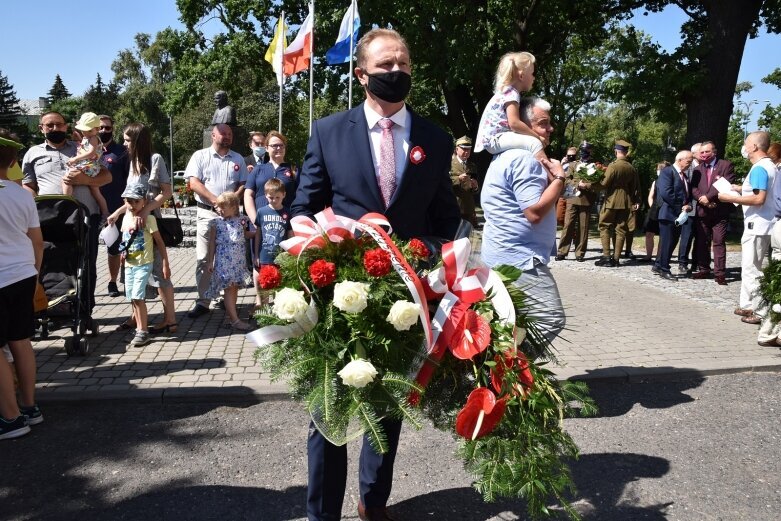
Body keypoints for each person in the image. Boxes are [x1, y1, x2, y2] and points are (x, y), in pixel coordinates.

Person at [291, 28, 461, 521]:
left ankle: (373, 502)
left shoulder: (434, 138)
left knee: (387, 406)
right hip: (339, 292)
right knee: (329, 410)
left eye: (404, 63)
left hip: (406, 296)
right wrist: (310, 259)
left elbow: (444, 218)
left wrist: (442, 253)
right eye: (386, 65)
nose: (397, 72)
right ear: (361, 74)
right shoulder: (327, 131)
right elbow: (305, 208)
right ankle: (322, 514)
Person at [481, 96, 567, 344]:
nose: (550, 129)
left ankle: (506, 378)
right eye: (543, 123)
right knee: (550, 318)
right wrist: (560, 179)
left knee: (512, 324)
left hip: (506, 253)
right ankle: (509, 374)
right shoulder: (524, 159)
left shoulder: (509, 155)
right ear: (523, 126)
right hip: (519, 259)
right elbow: (534, 212)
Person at [22, 111, 112, 312]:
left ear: (66, 126)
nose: (55, 129)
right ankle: (51, 308)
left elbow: (107, 177)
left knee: (86, 263)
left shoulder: (82, 146)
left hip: (86, 216)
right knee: (51, 262)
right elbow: (28, 185)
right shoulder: (32, 153)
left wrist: (84, 180)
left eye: (59, 124)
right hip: (49, 219)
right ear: (41, 129)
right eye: (50, 125)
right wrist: (31, 205)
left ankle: (84, 310)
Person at [107, 123, 177, 334]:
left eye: (128, 140)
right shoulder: (132, 162)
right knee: (131, 271)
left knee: (158, 272)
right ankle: (135, 317)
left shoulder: (155, 159)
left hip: (149, 225)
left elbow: (166, 191)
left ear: (138, 140)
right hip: (131, 225)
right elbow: (131, 197)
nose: (124, 144)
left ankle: (170, 320)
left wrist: (146, 210)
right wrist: (118, 213)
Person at [0, 129, 44, 440]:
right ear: (14, 159)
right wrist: (34, 273)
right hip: (23, 274)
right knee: (21, 341)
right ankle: (30, 407)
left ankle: (11, 418)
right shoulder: (21, 194)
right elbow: (37, 242)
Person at [184, 124, 248, 319]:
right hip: (208, 214)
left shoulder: (238, 159)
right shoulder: (200, 156)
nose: (227, 137)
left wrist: (232, 201)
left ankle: (224, 297)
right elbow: (193, 183)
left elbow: (243, 183)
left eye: (229, 134)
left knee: (230, 257)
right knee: (205, 258)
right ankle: (203, 300)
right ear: (213, 135)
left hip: (231, 217)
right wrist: (216, 201)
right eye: (223, 133)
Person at [717, 131, 777, 325]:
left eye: (746, 144)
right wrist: (740, 189)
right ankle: (748, 304)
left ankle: (757, 309)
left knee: (753, 269)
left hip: (757, 224)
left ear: (754, 147)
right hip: (765, 223)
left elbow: (759, 198)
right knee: (753, 267)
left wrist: (731, 197)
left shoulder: (759, 168)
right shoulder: (770, 166)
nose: (744, 147)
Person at [118, 182, 170, 348]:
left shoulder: (149, 219)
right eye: (129, 201)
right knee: (132, 298)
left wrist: (165, 263)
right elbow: (124, 240)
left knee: (139, 297)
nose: (132, 205)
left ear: (144, 202)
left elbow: (160, 243)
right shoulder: (126, 218)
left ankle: (143, 331)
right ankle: (140, 328)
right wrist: (122, 253)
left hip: (144, 264)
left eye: (136, 201)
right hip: (129, 264)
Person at [474, 52, 546, 161]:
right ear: (521, 76)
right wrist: (538, 137)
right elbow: (514, 123)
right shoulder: (512, 94)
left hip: (493, 140)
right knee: (534, 143)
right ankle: (553, 176)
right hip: (496, 139)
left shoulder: (506, 91)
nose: (534, 78)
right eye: (532, 73)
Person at [205, 192, 254, 331]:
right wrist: (210, 261)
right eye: (218, 207)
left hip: (238, 260)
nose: (219, 210)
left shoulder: (242, 220)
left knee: (234, 288)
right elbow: (212, 243)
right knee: (228, 288)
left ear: (233, 207)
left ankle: (230, 316)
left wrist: (257, 234)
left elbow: (244, 235)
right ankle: (235, 320)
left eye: (223, 207)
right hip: (224, 261)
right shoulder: (216, 223)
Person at [590, 139, 640, 267]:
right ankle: (616, 258)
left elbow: (604, 184)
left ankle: (606, 256)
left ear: (617, 151)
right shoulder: (631, 168)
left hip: (611, 200)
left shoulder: (613, 166)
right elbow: (635, 187)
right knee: (621, 229)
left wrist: (590, 184)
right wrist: (635, 201)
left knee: (604, 226)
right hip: (625, 201)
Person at [691, 141, 735, 285]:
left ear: (714, 152)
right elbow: (693, 188)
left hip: (719, 211)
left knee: (718, 242)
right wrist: (701, 199)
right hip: (703, 211)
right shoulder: (697, 169)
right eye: (701, 152)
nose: (703, 155)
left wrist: (708, 197)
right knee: (702, 242)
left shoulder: (725, 165)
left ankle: (720, 273)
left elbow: (726, 184)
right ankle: (703, 269)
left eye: (706, 152)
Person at [97, 115, 129, 298]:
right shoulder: (89, 151)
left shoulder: (122, 152)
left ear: (112, 129)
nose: (103, 131)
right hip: (93, 207)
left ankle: (113, 282)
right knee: (92, 250)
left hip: (117, 208)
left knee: (116, 247)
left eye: (107, 128)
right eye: (100, 128)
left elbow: (129, 180)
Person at [652, 151, 693, 280]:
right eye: (688, 161)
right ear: (680, 160)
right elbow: (666, 193)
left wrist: (688, 205)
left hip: (678, 215)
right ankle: (664, 268)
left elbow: (687, 195)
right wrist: (680, 207)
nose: (690, 164)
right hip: (668, 213)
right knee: (667, 242)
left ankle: (659, 265)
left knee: (672, 241)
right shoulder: (668, 172)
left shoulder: (684, 176)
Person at [556, 143, 598, 262]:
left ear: (590, 152)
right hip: (572, 197)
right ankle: (562, 251)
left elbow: (596, 183)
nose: (585, 153)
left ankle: (580, 253)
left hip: (586, 199)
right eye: (583, 151)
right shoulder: (574, 164)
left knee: (583, 227)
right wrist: (577, 184)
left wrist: (587, 185)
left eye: (587, 151)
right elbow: (567, 179)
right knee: (568, 224)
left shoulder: (594, 166)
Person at [64, 112, 110, 218]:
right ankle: (105, 212)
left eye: (89, 130)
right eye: (83, 130)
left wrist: (75, 159)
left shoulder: (93, 138)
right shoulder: (88, 136)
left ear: (97, 129)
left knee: (67, 179)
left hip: (89, 166)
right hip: (90, 166)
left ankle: (66, 203)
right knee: (95, 191)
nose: (86, 133)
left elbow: (91, 153)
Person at [253, 178, 290, 307]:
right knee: (264, 285)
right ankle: (264, 311)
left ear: (284, 195)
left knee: (279, 288)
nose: (274, 200)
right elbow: (258, 234)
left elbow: (289, 235)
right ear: (265, 195)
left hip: (280, 257)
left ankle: (277, 312)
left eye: (277, 198)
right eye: (271, 197)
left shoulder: (287, 212)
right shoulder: (262, 212)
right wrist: (256, 254)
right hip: (265, 256)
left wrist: (290, 254)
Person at [449, 136, 479, 227]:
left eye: (468, 150)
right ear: (457, 149)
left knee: (465, 239)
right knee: (451, 238)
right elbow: (443, 182)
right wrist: (458, 179)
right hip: (452, 207)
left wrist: (475, 186)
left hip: (468, 209)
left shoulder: (472, 165)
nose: (466, 152)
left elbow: (474, 190)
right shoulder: (448, 163)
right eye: (463, 149)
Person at [642, 162, 668, 262]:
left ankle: (659, 257)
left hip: (665, 210)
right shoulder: (655, 182)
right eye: (658, 168)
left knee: (663, 234)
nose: (659, 170)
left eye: (661, 168)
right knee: (649, 233)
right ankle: (648, 255)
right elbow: (650, 196)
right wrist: (652, 206)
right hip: (654, 210)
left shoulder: (671, 181)